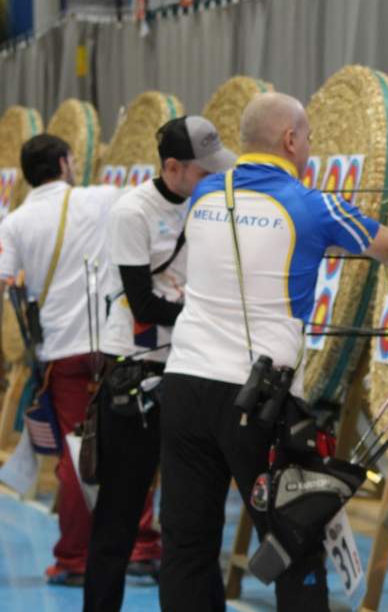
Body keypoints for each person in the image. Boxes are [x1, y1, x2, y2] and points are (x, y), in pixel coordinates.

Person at [158, 92, 388, 611]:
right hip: (257, 404)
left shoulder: (204, 194)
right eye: (307, 139)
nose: (308, 149)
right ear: (290, 139)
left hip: (183, 388)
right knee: (294, 543)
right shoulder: (314, 205)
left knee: (187, 546)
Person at [83, 116, 236, 611]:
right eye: (201, 170)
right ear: (172, 167)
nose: (211, 178)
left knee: (190, 514)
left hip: (188, 366)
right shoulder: (133, 212)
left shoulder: (202, 205)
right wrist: (209, 314)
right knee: (120, 514)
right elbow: (143, 304)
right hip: (136, 370)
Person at [0, 134, 151, 586]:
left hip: (61, 355)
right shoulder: (102, 198)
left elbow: (5, 279)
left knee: (74, 454)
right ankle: (141, 549)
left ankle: (75, 558)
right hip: (112, 344)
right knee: (129, 447)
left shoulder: (16, 221)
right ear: (65, 163)